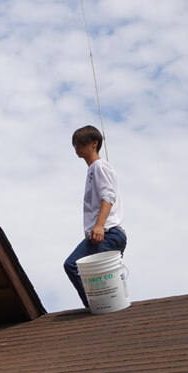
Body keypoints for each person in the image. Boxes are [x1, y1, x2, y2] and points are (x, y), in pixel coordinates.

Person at [63, 125, 126, 307]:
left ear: (94, 143)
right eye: (75, 144)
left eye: (80, 143)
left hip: (107, 232)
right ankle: (106, 307)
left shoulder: (99, 166)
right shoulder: (92, 169)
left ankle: (96, 308)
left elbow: (108, 196)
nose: (77, 147)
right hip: (108, 233)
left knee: (73, 265)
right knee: (100, 278)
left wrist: (99, 226)